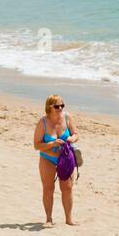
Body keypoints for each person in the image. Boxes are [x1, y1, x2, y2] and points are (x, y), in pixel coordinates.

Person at [34, 94, 78, 226]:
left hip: (65, 158)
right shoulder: (43, 122)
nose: (60, 108)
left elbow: (76, 134)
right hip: (48, 159)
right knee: (48, 188)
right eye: (57, 106)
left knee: (67, 188)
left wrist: (72, 138)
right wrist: (52, 144)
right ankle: (48, 219)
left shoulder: (67, 117)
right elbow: (36, 145)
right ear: (49, 107)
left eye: (62, 105)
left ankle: (69, 219)